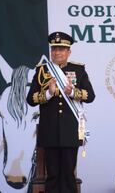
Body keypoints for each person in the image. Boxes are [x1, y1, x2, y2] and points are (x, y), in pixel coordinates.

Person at [27, 32, 95, 193]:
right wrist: (49, 93)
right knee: (52, 176)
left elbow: (90, 96)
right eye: (54, 48)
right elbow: (30, 99)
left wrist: (72, 92)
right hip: (49, 130)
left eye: (62, 49)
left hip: (71, 131)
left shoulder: (78, 70)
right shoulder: (42, 70)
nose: (57, 52)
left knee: (68, 176)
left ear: (68, 52)